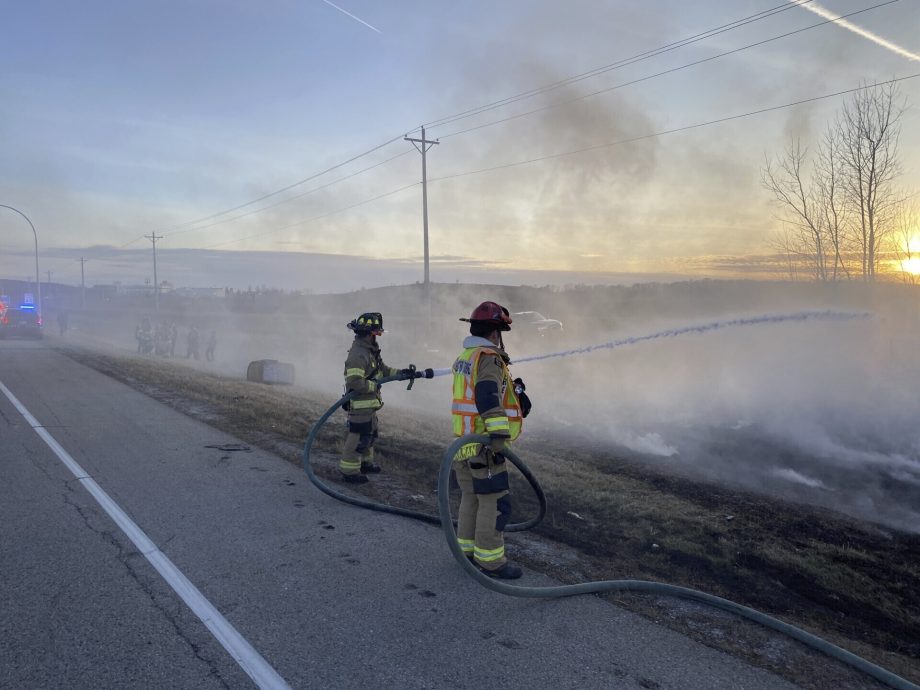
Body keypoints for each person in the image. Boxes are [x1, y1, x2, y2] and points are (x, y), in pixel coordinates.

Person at [451, 301, 533, 579]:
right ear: (495, 333)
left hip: (464, 442)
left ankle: (467, 552)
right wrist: (498, 437)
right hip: (484, 445)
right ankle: (491, 561)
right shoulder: (488, 357)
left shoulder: (467, 355)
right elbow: (486, 395)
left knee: (471, 498)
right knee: (495, 502)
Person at [340, 312, 415, 484]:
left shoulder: (370, 351)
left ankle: (365, 464)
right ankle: (349, 471)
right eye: (376, 334)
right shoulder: (358, 354)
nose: (378, 337)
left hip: (369, 405)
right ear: (367, 334)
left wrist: (402, 373)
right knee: (357, 437)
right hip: (359, 405)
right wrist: (373, 385)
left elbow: (383, 371)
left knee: (369, 435)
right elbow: (354, 381)